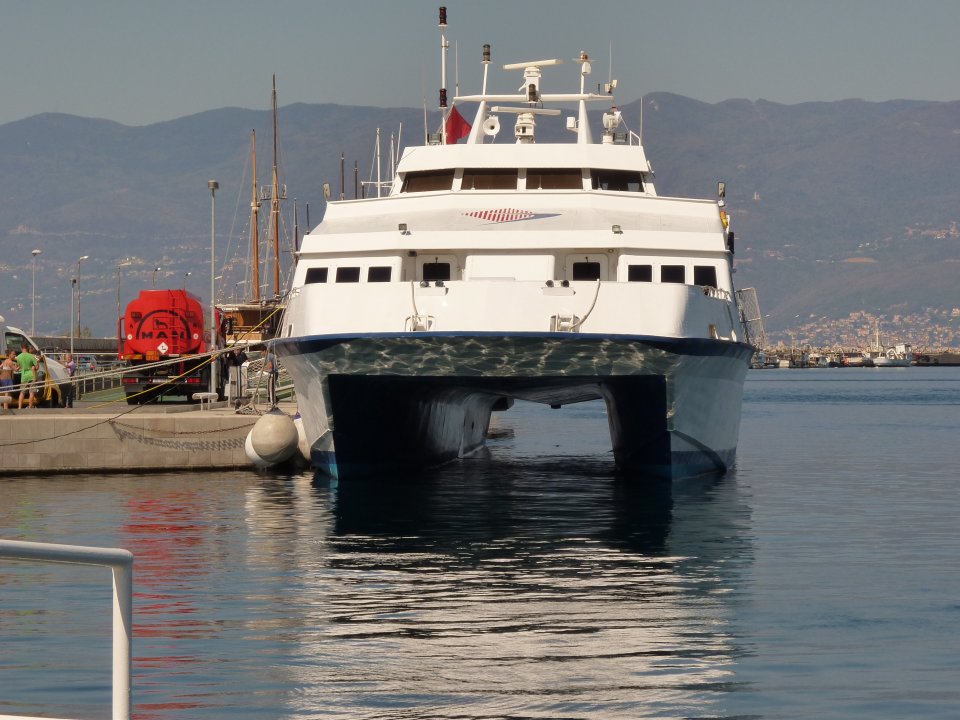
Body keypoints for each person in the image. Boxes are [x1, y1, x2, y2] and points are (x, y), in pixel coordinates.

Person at [16, 344, 39, 409]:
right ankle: (30, 407)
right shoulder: (31, 356)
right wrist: (35, 367)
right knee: (31, 392)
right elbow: (36, 367)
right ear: (27, 348)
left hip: (24, 376)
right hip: (32, 375)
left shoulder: (18, 357)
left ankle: (19, 407)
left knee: (22, 392)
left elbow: (19, 367)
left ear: (21, 348)